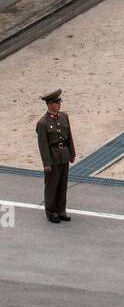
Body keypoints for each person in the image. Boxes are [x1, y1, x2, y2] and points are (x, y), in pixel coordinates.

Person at [36, 89, 75, 223]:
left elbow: (69, 137)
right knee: (52, 186)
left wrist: (72, 154)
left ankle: (61, 211)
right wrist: (46, 163)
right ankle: (52, 212)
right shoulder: (43, 123)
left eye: (59, 102)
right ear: (49, 104)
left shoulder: (64, 117)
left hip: (63, 155)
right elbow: (43, 145)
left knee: (62, 185)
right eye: (56, 102)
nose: (59, 104)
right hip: (52, 157)